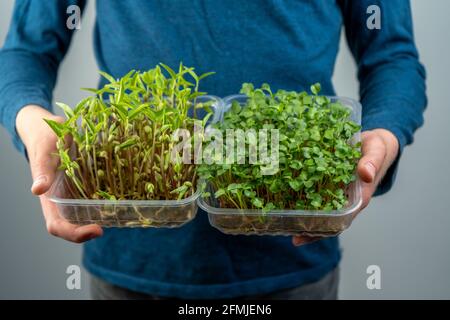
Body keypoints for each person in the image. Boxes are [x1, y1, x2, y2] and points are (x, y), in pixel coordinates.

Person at [0, 0, 426, 300]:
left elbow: (392, 56)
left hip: (293, 263)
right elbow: (21, 52)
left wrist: (383, 136)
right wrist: (31, 119)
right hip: (130, 256)